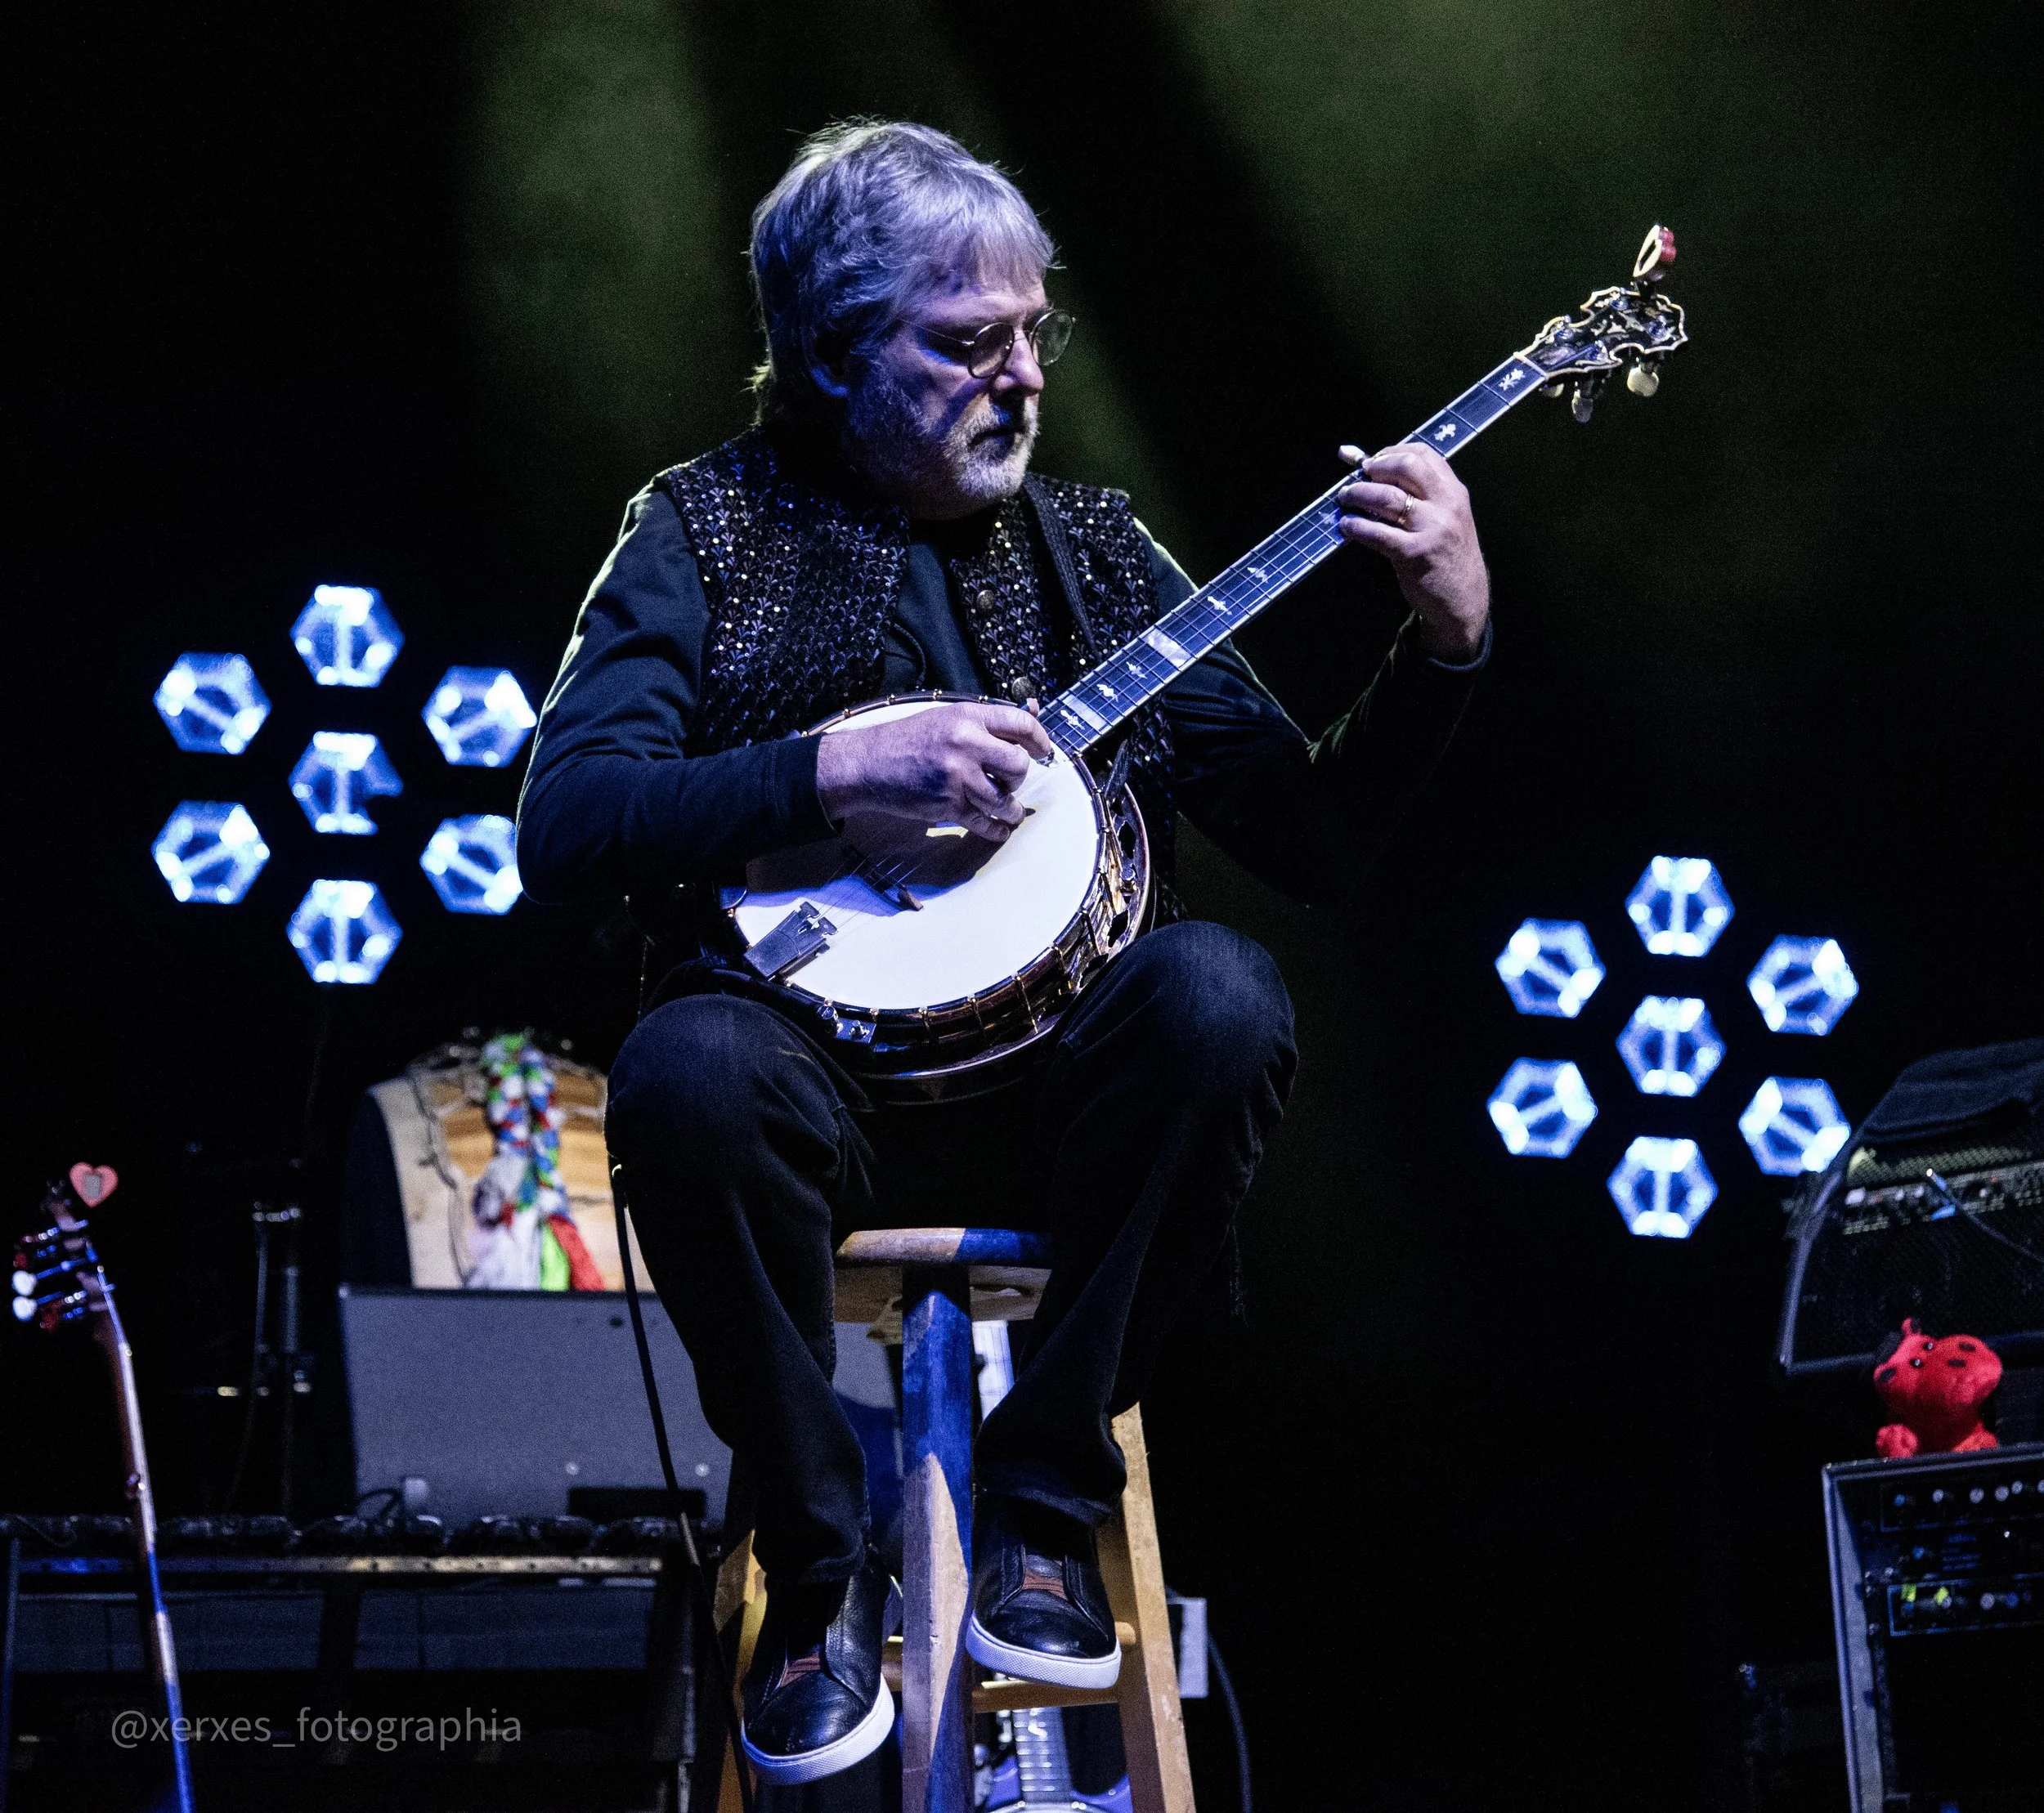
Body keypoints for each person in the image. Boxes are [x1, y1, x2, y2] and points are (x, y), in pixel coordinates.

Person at [517, 120, 1491, 1785]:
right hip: (802, 1087)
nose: (1022, 376)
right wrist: (828, 770)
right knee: (679, 1063)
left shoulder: (1098, 554)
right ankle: (815, 1555)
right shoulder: (701, 532)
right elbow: (565, 822)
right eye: (968, 341)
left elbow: (1311, 842)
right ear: (831, 355)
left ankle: (1045, 1506)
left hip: (1063, 1097)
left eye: (1035, 330)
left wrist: (1444, 644)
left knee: (1220, 989)